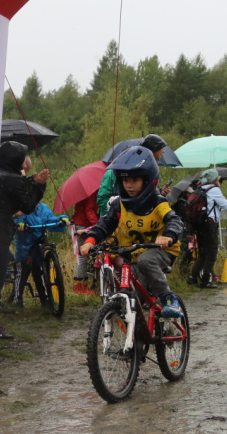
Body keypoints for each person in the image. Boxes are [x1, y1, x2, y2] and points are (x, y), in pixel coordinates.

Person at [79, 146, 183, 317]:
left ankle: (168, 298)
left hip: (161, 250)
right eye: (125, 180)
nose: (129, 185)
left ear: (147, 180)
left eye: (135, 180)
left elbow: (174, 220)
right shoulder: (119, 204)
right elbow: (104, 224)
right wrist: (91, 241)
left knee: (145, 260)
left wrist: (168, 236)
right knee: (134, 303)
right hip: (133, 254)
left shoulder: (157, 202)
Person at [0, 142, 49, 339]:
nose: (24, 162)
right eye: (22, 157)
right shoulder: (13, 179)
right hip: (0, 232)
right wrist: (39, 186)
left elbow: (11, 188)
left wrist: (31, 181)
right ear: (15, 160)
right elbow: (28, 205)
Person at [96, 134, 172, 216]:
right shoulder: (112, 173)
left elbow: (144, 195)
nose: (163, 151)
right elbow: (102, 198)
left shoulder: (149, 170)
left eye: (135, 180)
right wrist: (113, 213)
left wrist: (160, 192)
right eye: (125, 180)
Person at [12, 203, 69, 308]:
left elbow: (50, 219)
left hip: (39, 243)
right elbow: (19, 218)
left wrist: (61, 220)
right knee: (22, 271)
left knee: (39, 271)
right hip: (24, 244)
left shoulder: (43, 208)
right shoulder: (23, 207)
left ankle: (45, 298)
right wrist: (20, 223)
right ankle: (18, 299)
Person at [189, 168, 227, 288]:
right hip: (210, 224)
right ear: (215, 179)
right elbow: (226, 206)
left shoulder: (199, 188)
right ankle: (205, 281)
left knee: (202, 252)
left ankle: (193, 277)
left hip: (199, 224)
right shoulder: (214, 189)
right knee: (212, 252)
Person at [70, 193, 99, 295]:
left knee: (82, 256)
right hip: (82, 225)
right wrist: (98, 225)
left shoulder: (85, 191)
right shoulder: (92, 192)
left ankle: (81, 286)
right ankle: (81, 288)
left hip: (78, 222)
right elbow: (89, 209)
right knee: (82, 256)